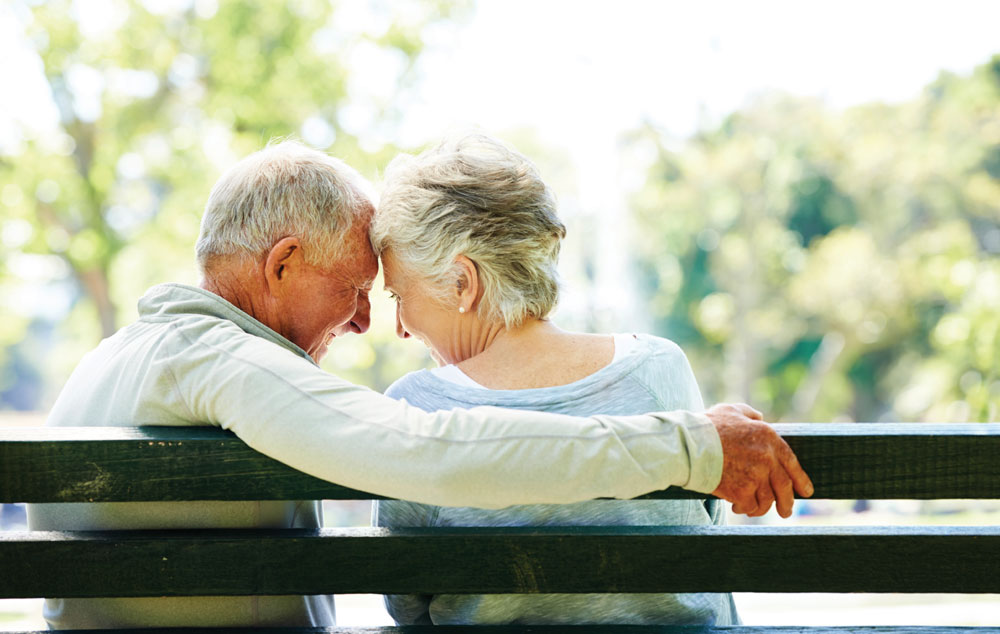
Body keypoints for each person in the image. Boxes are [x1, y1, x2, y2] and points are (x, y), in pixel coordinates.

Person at [28, 140, 811, 629]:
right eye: (356, 289)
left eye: (386, 294)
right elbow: (420, 449)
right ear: (282, 265)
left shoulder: (114, 359)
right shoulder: (220, 362)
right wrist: (688, 444)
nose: (370, 323)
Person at [371, 134, 735, 625]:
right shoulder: (658, 368)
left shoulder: (415, 408)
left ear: (463, 282)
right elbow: (709, 551)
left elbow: (407, 606)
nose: (399, 326)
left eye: (398, 296)